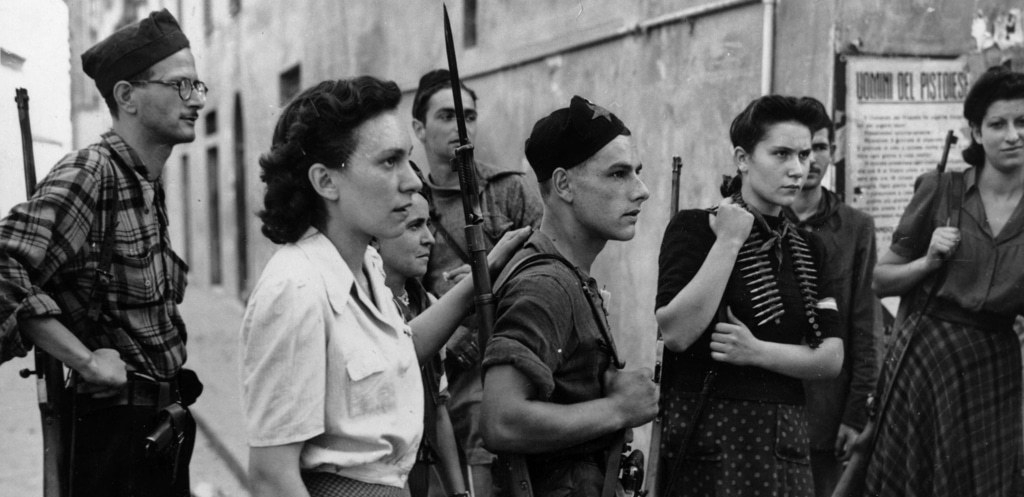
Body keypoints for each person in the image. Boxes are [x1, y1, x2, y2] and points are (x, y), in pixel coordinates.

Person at [240, 76, 529, 497]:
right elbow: (271, 478)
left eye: (407, 159)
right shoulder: (296, 288)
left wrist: (482, 276)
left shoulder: (365, 265)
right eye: (389, 162)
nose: (413, 181)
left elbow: (402, 349)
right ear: (326, 182)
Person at [0, 9, 203, 496]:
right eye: (180, 85)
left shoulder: (144, 180)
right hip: (114, 441)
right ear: (127, 96)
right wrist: (87, 361)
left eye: (197, 86)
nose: (196, 99)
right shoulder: (91, 173)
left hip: (159, 428)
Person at [654, 95, 843, 496]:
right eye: (781, 154)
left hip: (783, 439)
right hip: (708, 434)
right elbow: (676, 333)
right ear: (742, 159)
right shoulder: (695, 228)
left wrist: (755, 351)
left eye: (804, 155)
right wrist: (729, 241)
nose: (798, 169)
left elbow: (831, 358)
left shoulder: (809, 248)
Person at [479, 95, 659, 496]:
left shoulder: (568, 275)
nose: (641, 190)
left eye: (637, 173)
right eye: (618, 174)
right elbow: (500, 420)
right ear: (564, 185)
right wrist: (618, 409)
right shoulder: (547, 284)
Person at [866, 67, 1024, 497]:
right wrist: (928, 261)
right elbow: (881, 281)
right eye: (998, 124)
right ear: (976, 131)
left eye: (1022, 122)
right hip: (927, 361)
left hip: (995, 370)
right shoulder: (941, 190)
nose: (1013, 135)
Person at [411, 68, 543, 497]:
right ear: (418, 128)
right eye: (447, 116)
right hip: (435, 377)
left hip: (497, 371)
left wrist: (493, 278)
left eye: (468, 116)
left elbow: (550, 270)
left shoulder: (509, 190)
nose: (460, 127)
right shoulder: (407, 201)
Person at [783, 97, 877, 497]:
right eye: (799, 149)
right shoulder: (758, 220)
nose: (810, 160)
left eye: (819, 147)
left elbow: (866, 326)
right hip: (768, 407)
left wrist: (856, 414)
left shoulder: (856, 228)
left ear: (833, 152)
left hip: (828, 414)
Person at [375, 189, 469, 497]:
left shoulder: (424, 304)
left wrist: (458, 493)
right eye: (414, 226)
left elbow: (438, 411)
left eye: (428, 224)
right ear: (375, 237)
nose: (430, 239)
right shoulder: (368, 310)